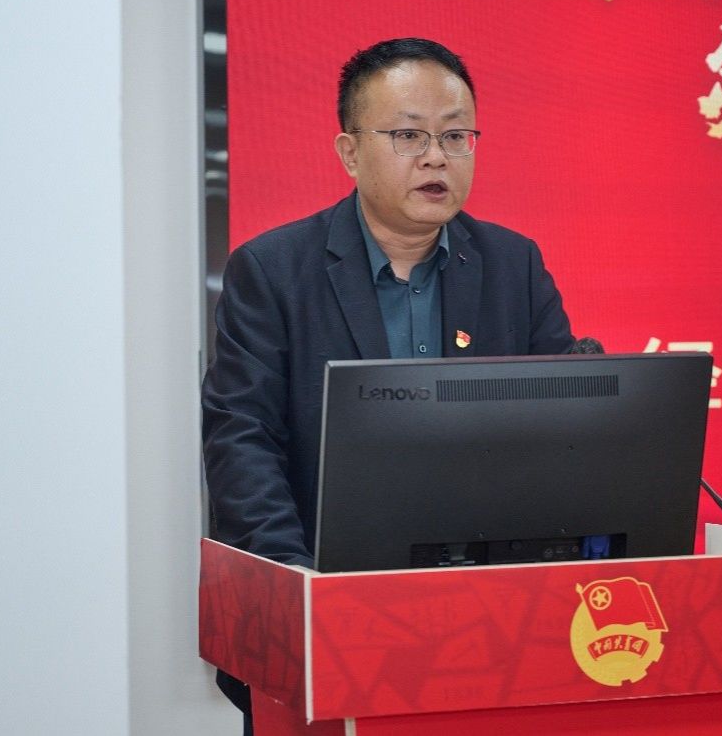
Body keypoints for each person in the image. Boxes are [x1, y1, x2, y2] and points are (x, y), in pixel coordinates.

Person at [201, 37, 575, 725]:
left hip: (492, 624)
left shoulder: (513, 265)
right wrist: (295, 586)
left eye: (455, 136)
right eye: (408, 135)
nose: (436, 156)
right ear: (349, 152)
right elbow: (242, 440)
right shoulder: (273, 271)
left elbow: (564, 421)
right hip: (327, 611)